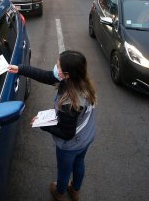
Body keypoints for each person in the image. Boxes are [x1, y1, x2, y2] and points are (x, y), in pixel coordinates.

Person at [8, 50, 97, 201]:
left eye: (58, 65)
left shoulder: (69, 103)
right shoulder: (80, 81)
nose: (56, 66)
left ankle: (60, 193)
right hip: (86, 136)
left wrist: (42, 125)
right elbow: (47, 76)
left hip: (71, 144)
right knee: (79, 162)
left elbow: (66, 133)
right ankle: (75, 191)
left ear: (67, 74)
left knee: (64, 170)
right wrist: (21, 69)